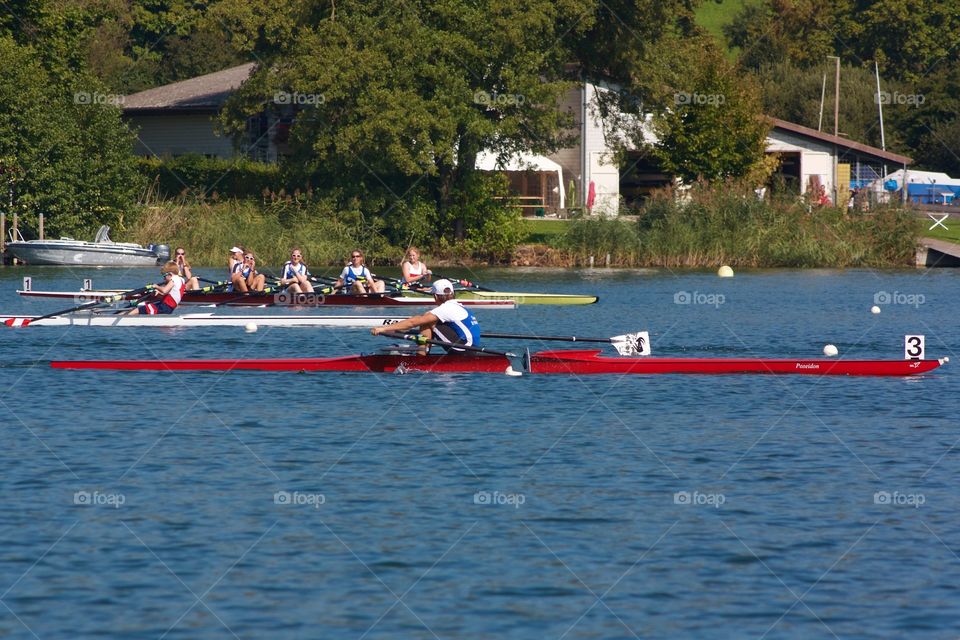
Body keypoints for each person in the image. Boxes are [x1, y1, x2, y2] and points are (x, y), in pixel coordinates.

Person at [371, 279, 480, 355]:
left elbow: (414, 322)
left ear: (436, 296)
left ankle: (421, 357)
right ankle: (423, 351)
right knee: (428, 319)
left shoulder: (445, 309)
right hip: (471, 348)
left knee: (425, 320)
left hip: (463, 349)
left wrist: (384, 329)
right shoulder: (459, 306)